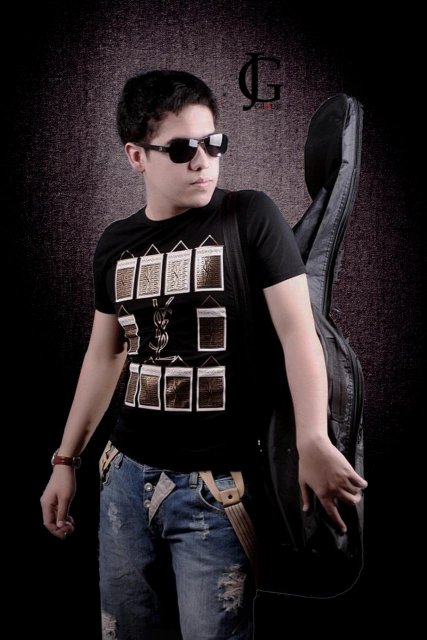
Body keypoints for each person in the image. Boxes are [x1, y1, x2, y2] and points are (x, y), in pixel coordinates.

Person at [40, 70, 367, 640]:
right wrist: (65, 460)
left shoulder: (249, 216)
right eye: (181, 148)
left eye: (213, 143)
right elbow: (104, 354)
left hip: (216, 492)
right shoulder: (114, 244)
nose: (203, 161)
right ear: (137, 156)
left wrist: (313, 437)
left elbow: (298, 334)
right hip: (122, 481)